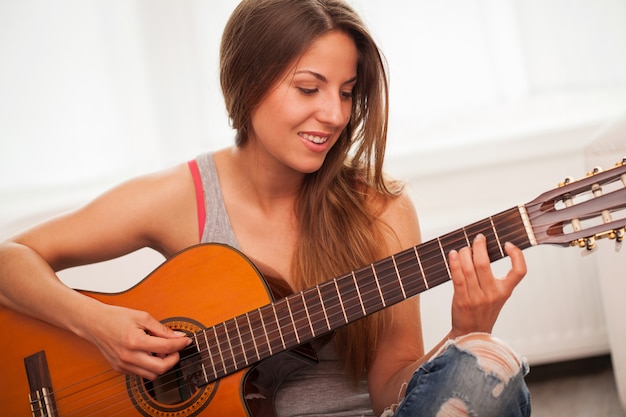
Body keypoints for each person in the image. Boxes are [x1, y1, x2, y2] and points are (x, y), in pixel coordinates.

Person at [0, 0, 531, 416]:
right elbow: (12, 258)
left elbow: (389, 392)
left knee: (489, 368)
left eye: (347, 92)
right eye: (308, 88)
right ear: (248, 81)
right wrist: (98, 324)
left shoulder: (381, 210)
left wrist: (463, 333)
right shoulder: (181, 197)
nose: (334, 114)